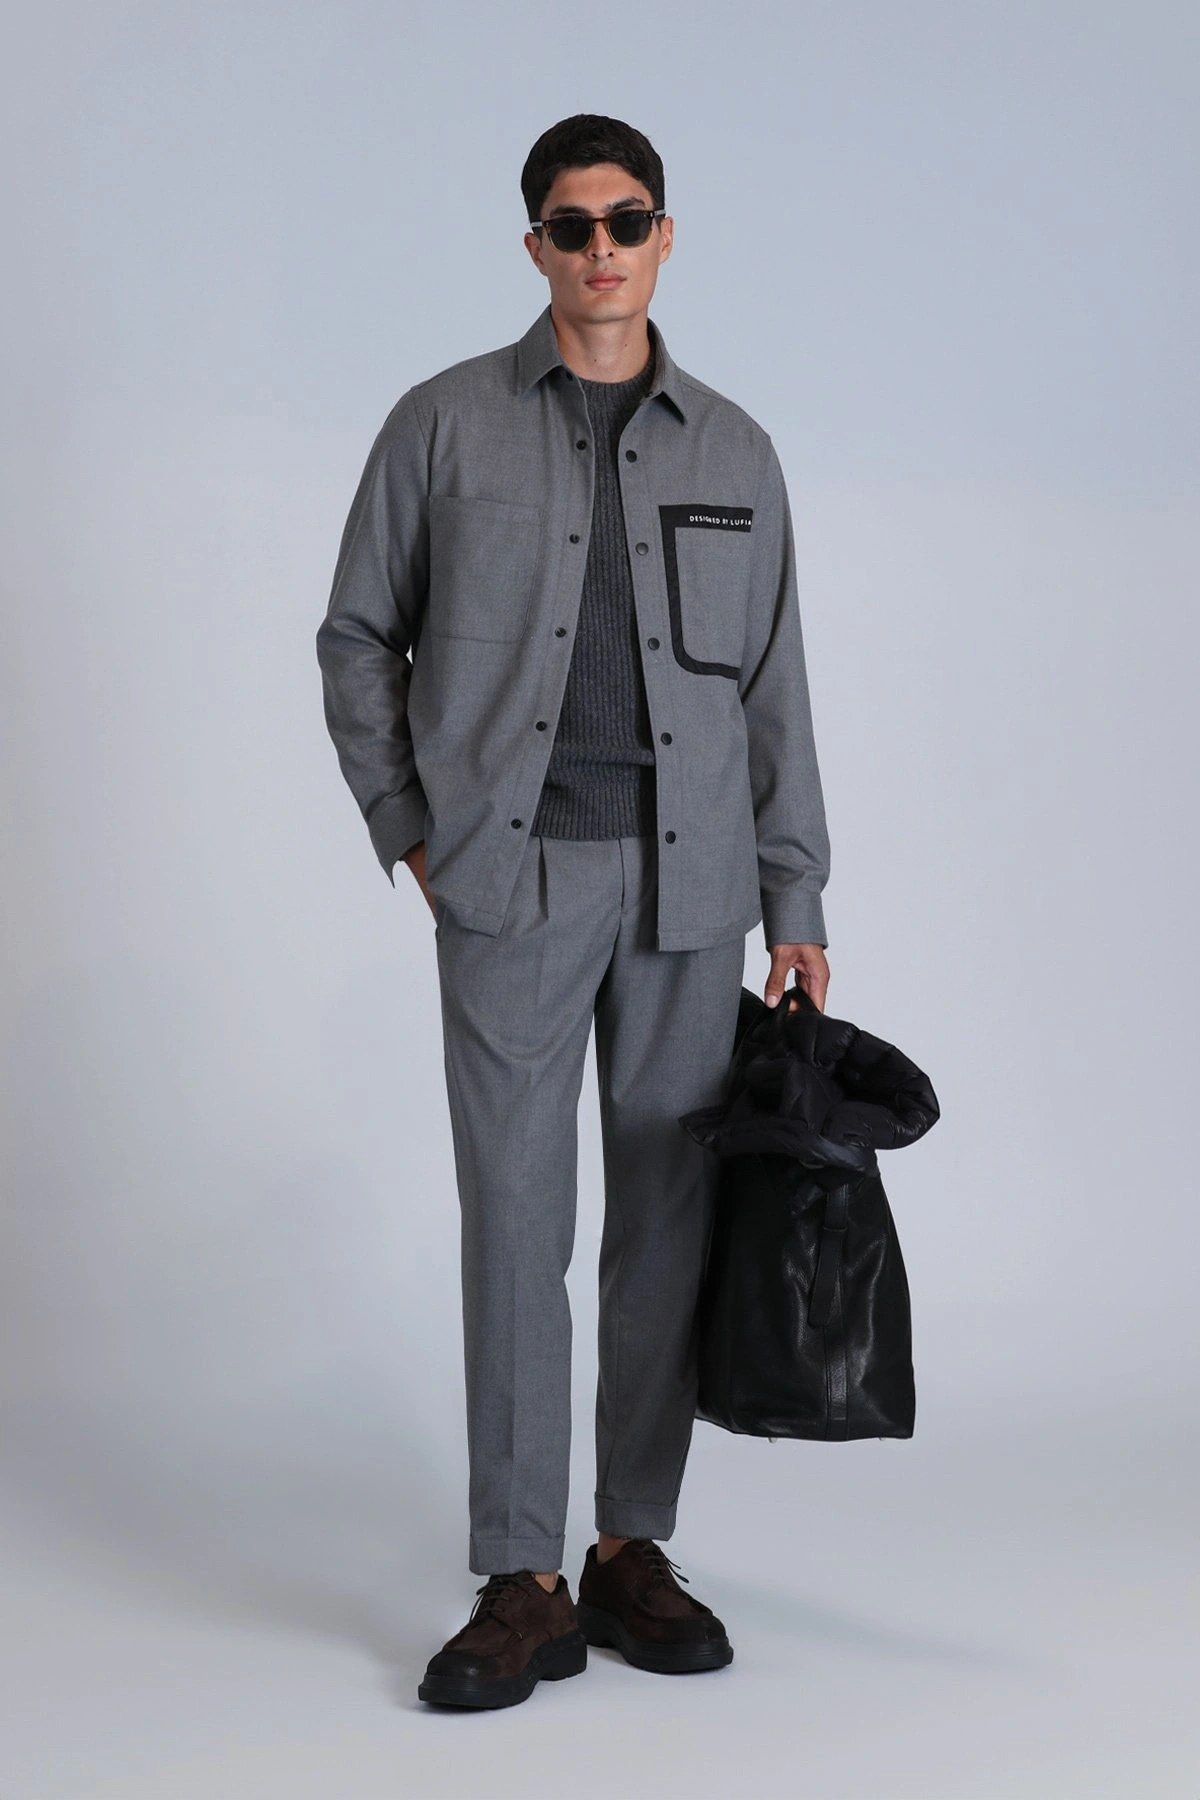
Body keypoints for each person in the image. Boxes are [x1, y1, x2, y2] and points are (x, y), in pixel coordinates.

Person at [315, 113, 832, 1710]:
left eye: (628, 219)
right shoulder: (442, 425)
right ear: (533, 243)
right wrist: (415, 832)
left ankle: (629, 1549)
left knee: (667, 1225)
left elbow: (774, 689)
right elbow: (355, 639)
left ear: (666, 236)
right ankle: (521, 1576)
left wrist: (796, 891)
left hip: (694, 886)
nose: (600, 248)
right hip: (511, 882)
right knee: (517, 1224)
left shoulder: (736, 451)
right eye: (570, 223)